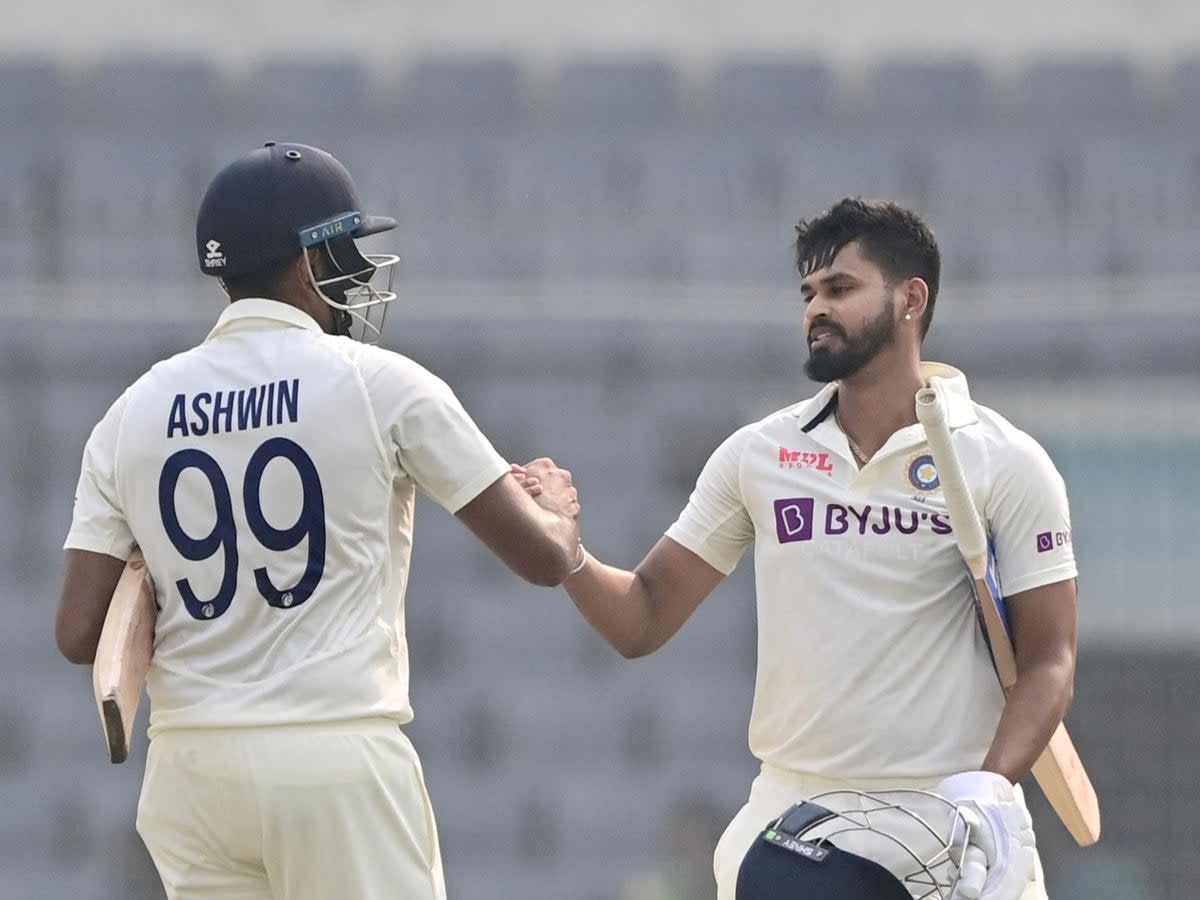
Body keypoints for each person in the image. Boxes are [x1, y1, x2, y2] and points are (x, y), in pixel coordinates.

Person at [54, 141, 584, 900]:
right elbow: (541, 560)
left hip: (189, 774)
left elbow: (78, 633)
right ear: (307, 265)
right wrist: (559, 513)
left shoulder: (131, 411)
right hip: (333, 759)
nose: (358, 276)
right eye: (346, 254)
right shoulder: (381, 385)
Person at [516, 198, 1078, 900]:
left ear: (911, 298)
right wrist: (569, 554)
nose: (816, 308)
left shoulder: (1005, 461)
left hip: (952, 823)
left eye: (840, 289)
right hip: (795, 821)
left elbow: (1051, 657)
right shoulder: (761, 454)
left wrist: (990, 793)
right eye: (808, 294)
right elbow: (643, 617)